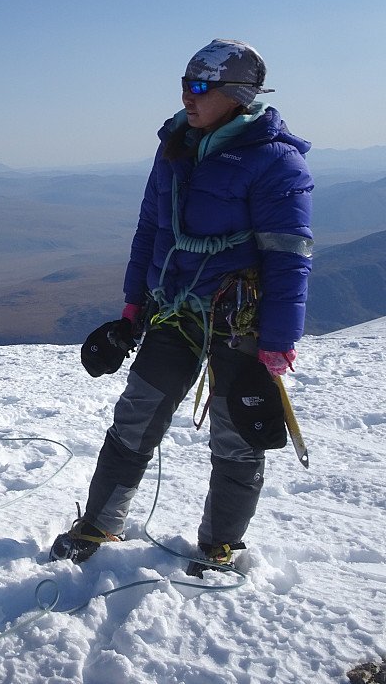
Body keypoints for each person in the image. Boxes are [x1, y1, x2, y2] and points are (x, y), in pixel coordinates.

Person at [50, 39, 313, 576]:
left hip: (240, 317)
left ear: (237, 94)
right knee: (136, 416)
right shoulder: (174, 144)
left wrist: (279, 342)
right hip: (175, 309)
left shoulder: (275, 161)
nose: (187, 97)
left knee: (236, 435)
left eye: (199, 87)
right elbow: (151, 230)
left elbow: (289, 257)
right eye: (184, 86)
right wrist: (132, 311)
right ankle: (100, 521)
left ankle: (220, 546)